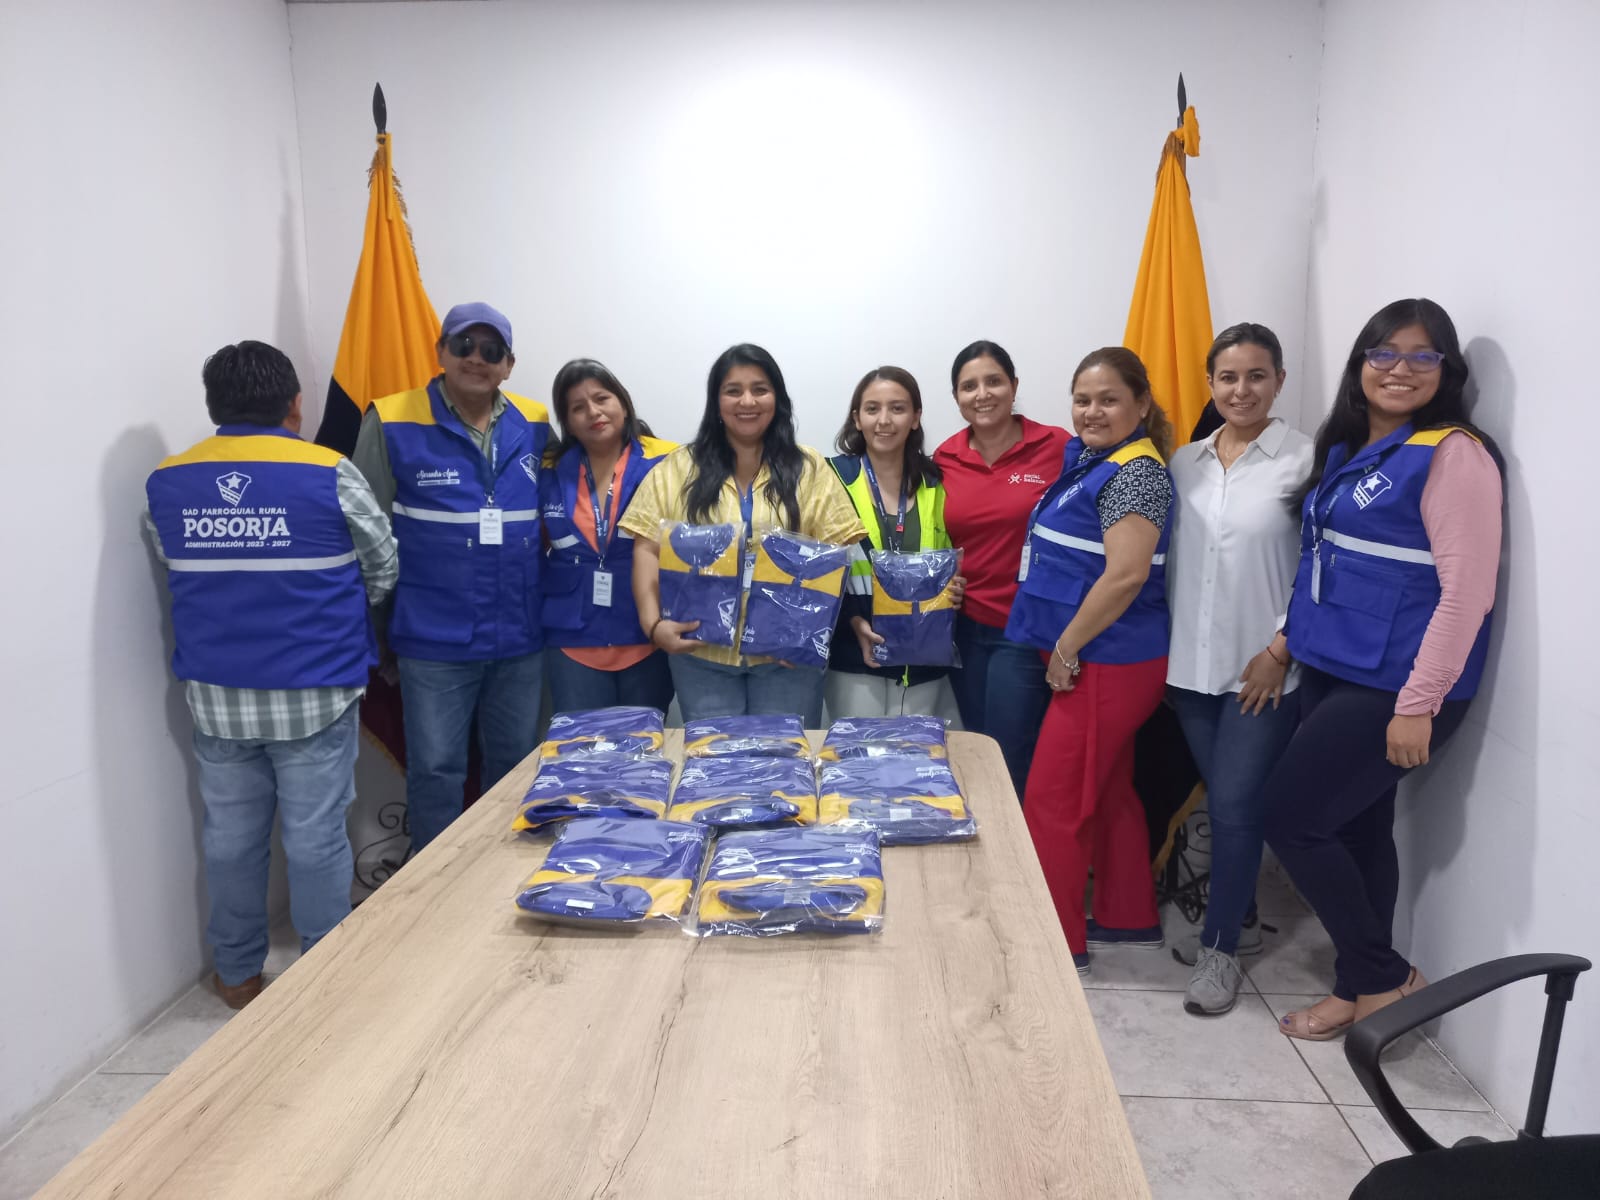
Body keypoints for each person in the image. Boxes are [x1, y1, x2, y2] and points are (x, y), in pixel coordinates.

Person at [1264, 299, 1503, 1041]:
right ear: (1361, 363)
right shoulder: (1348, 447)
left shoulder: (1454, 454)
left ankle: (1385, 977)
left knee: (1290, 819)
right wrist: (1283, 644)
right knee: (1359, 827)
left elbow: (1467, 594)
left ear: (1446, 371)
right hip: (1332, 663)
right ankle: (1357, 987)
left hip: (1398, 683)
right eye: (1384, 353)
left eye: (1422, 356)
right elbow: (1323, 562)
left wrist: (1418, 703)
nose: (1400, 369)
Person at [144, 341, 397, 1009]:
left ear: (214, 405)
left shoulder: (167, 480)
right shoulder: (329, 470)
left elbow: (173, 560)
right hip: (317, 690)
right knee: (315, 841)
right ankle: (321, 980)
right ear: (295, 404)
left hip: (218, 695)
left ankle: (236, 974)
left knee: (230, 841)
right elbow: (383, 564)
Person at [353, 302, 551, 852]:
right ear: (440, 352)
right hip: (433, 640)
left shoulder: (536, 422)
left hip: (519, 638)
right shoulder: (391, 418)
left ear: (508, 364)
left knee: (515, 771)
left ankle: (496, 888)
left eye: (491, 350)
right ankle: (433, 889)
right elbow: (364, 536)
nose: (476, 359)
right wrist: (378, 635)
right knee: (437, 771)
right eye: (464, 345)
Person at [1007, 348, 1176, 974]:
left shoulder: (1135, 473)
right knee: (1105, 790)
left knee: (1052, 802)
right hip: (1107, 656)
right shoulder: (1094, 459)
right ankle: (1128, 914)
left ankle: (1053, 945)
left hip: (1106, 659)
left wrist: (1066, 648)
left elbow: (1125, 576)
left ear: (1141, 404)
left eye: (1109, 400)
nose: (1092, 411)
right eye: (1083, 399)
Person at [1165, 323, 1314, 1015]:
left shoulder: (1308, 461)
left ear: (1279, 380)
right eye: (1228, 377)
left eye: (1257, 375)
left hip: (1264, 673)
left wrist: (1281, 648)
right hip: (1191, 671)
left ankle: (1220, 949)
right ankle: (1243, 918)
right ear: (1211, 383)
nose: (1241, 389)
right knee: (1230, 805)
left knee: (1232, 807)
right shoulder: (1183, 462)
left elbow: (1322, 571)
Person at [621, 344, 867, 727]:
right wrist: (654, 626)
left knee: (785, 760)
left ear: (777, 398)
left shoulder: (809, 468)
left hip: (787, 660)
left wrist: (807, 633)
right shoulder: (678, 468)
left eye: (760, 389)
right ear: (716, 402)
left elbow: (836, 553)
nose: (747, 401)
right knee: (713, 759)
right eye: (733, 391)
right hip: (701, 655)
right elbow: (647, 548)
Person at [934, 341, 1070, 798]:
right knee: (975, 747)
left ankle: (1017, 844)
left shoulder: (1057, 447)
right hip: (963, 630)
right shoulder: (944, 458)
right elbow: (934, 535)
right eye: (969, 386)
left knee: (1009, 755)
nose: (982, 394)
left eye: (993, 381)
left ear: (1013, 385)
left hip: (1025, 628)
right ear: (957, 397)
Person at [825, 366, 964, 721]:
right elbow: (814, 569)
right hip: (854, 656)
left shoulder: (939, 482)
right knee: (858, 754)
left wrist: (957, 586)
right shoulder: (831, 478)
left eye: (897, 408)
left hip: (926, 659)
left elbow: (959, 553)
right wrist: (852, 621)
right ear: (857, 418)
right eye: (872, 409)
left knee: (918, 754)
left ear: (915, 418)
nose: (884, 420)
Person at [540, 359, 676, 714]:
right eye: (578, 407)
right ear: (567, 422)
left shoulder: (667, 461)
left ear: (623, 404)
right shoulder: (549, 469)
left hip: (647, 635)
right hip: (572, 639)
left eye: (601, 399)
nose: (593, 412)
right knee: (580, 746)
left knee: (643, 745)